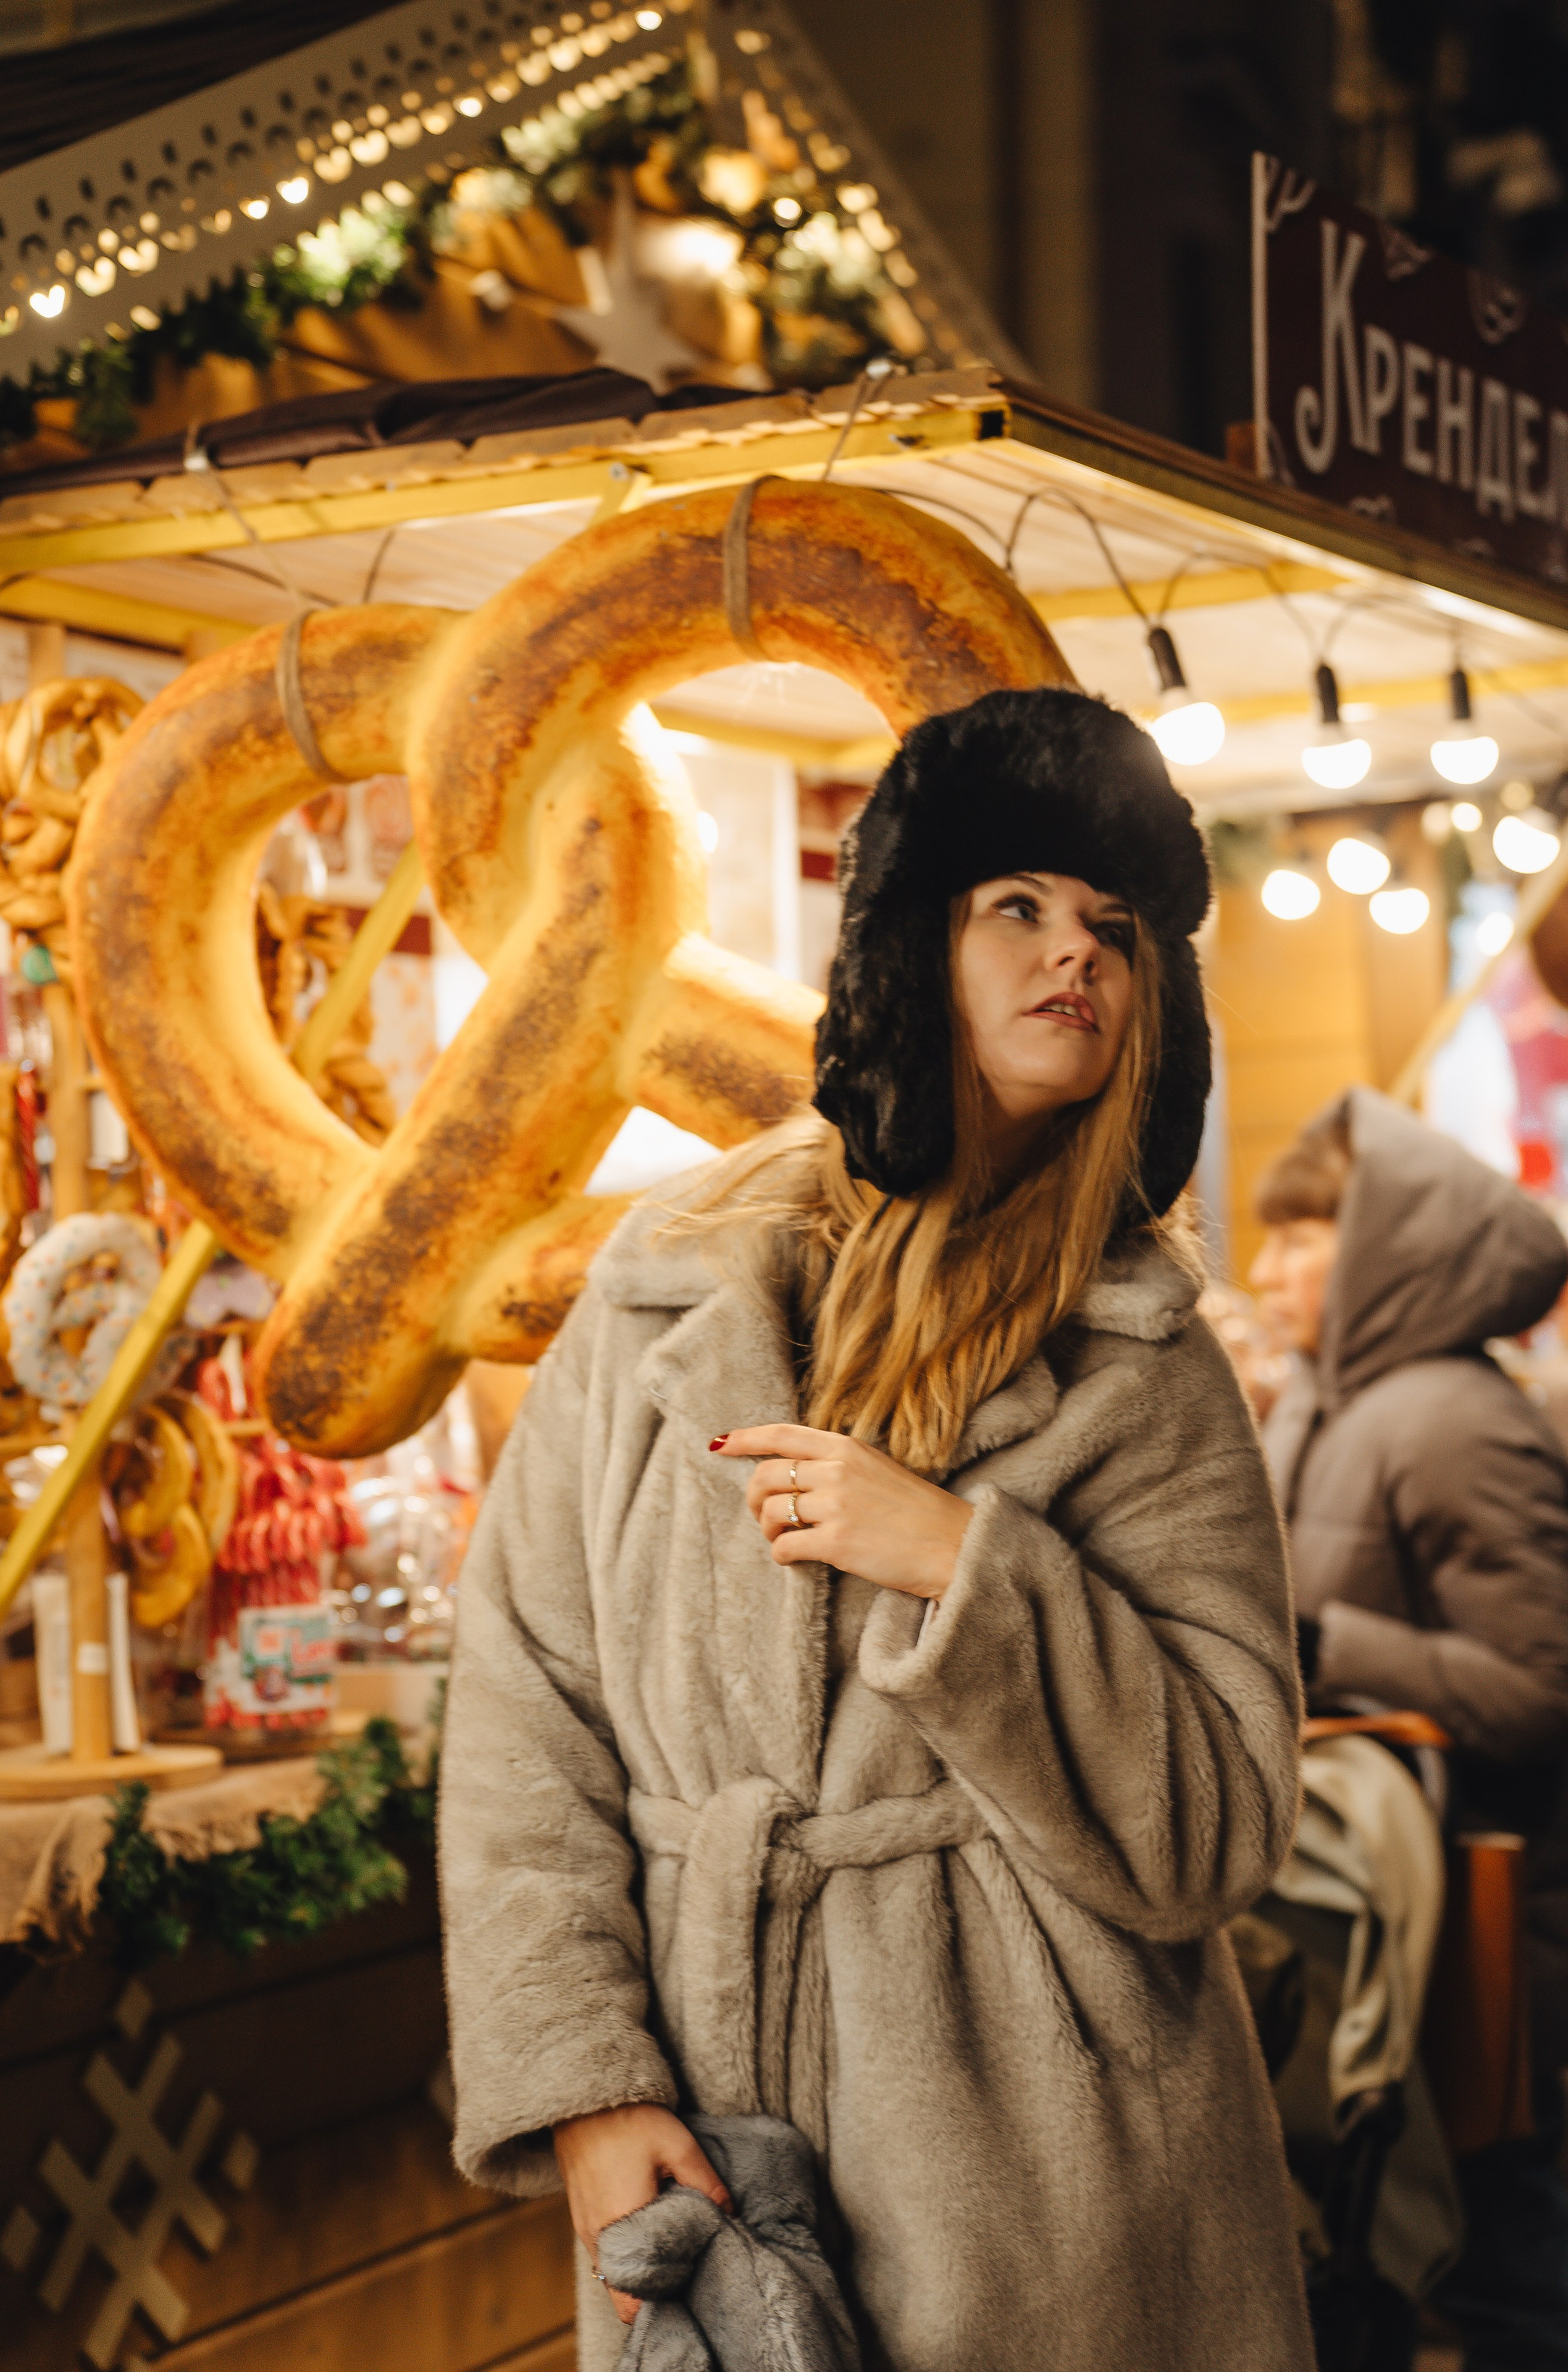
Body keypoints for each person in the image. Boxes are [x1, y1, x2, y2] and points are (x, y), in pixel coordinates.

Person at [439, 688, 1313, 2372]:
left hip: (1057, 2197)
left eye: (1115, 931)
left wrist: (965, 1571)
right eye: (1021, 910)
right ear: (920, 943)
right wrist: (589, 2089)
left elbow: (1224, 1822)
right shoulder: (665, 1287)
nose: (1077, 958)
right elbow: (524, 1714)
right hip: (709, 2128)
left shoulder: (1151, 1364)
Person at [1251, 1087, 1568, 2370]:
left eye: (1296, 1237)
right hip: (1384, 1913)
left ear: (1380, 1242)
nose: (1265, 1268)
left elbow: (1539, 1690)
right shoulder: (1321, 1402)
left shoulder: (1450, 1417)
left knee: (1508, 2273)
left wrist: (1323, 1644)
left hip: (1487, 1931)